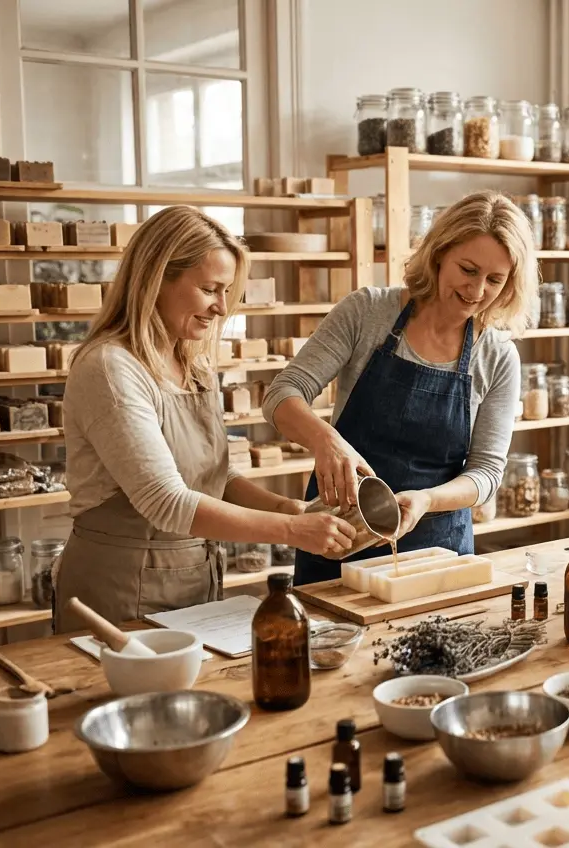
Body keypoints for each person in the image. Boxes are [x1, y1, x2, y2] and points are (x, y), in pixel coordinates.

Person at [54, 206, 357, 632]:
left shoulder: (191, 363)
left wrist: (286, 507)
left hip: (194, 580)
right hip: (119, 588)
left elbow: (216, 474)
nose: (220, 308)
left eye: (226, 292)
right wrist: (291, 529)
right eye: (210, 289)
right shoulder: (110, 367)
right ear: (157, 279)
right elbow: (167, 502)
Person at [263, 190, 536, 585]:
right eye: (468, 269)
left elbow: (486, 473)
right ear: (439, 253)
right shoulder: (367, 313)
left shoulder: (496, 356)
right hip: (338, 542)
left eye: (495, 280)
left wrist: (426, 500)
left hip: (437, 554)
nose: (477, 291)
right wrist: (325, 440)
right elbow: (282, 394)